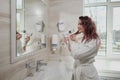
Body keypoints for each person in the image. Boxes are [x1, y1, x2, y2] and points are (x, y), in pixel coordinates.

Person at [64, 16, 101, 80]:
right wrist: (68, 42)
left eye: (80, 24)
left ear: (87, 25)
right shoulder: (85, 37)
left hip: (86, 72)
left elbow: (76, 55)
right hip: (78, 68)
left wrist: (74, 41)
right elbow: (73, 51)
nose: (78, 26)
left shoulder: (94, 40)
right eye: (78, 24)